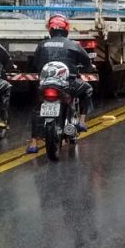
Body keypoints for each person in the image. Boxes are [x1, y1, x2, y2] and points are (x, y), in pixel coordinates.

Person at [26, 14, 95, 153]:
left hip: (45, 85)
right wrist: (89, 69)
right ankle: (81, 121)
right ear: (66, 29)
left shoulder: (42, 45)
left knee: (37, 107)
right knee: (87, 89)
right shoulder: (73, 44)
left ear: (50, 29)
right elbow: (87, 63)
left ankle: (33, 142)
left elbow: (35, 65)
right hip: (67, 85)